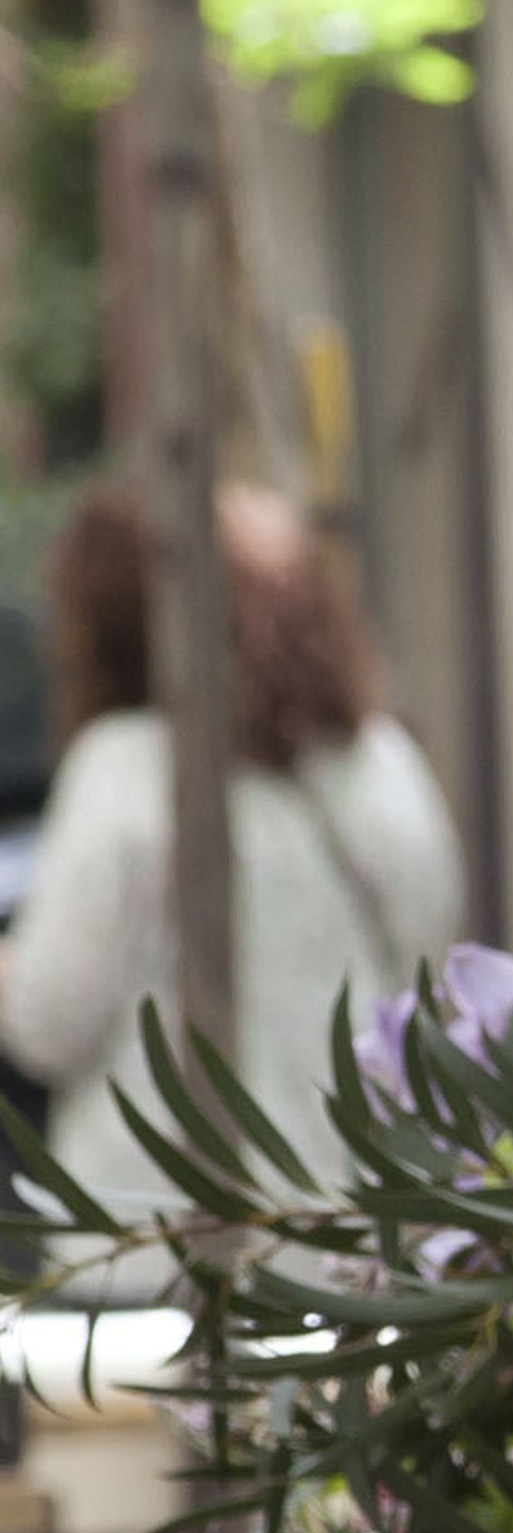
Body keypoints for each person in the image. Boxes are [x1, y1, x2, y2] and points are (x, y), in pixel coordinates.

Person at [2, 480, 467, 1263]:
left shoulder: (122, 767)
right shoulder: (377, 759)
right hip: (350, 1237)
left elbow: (48, 1023)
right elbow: (429, 957)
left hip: (149, 1246)